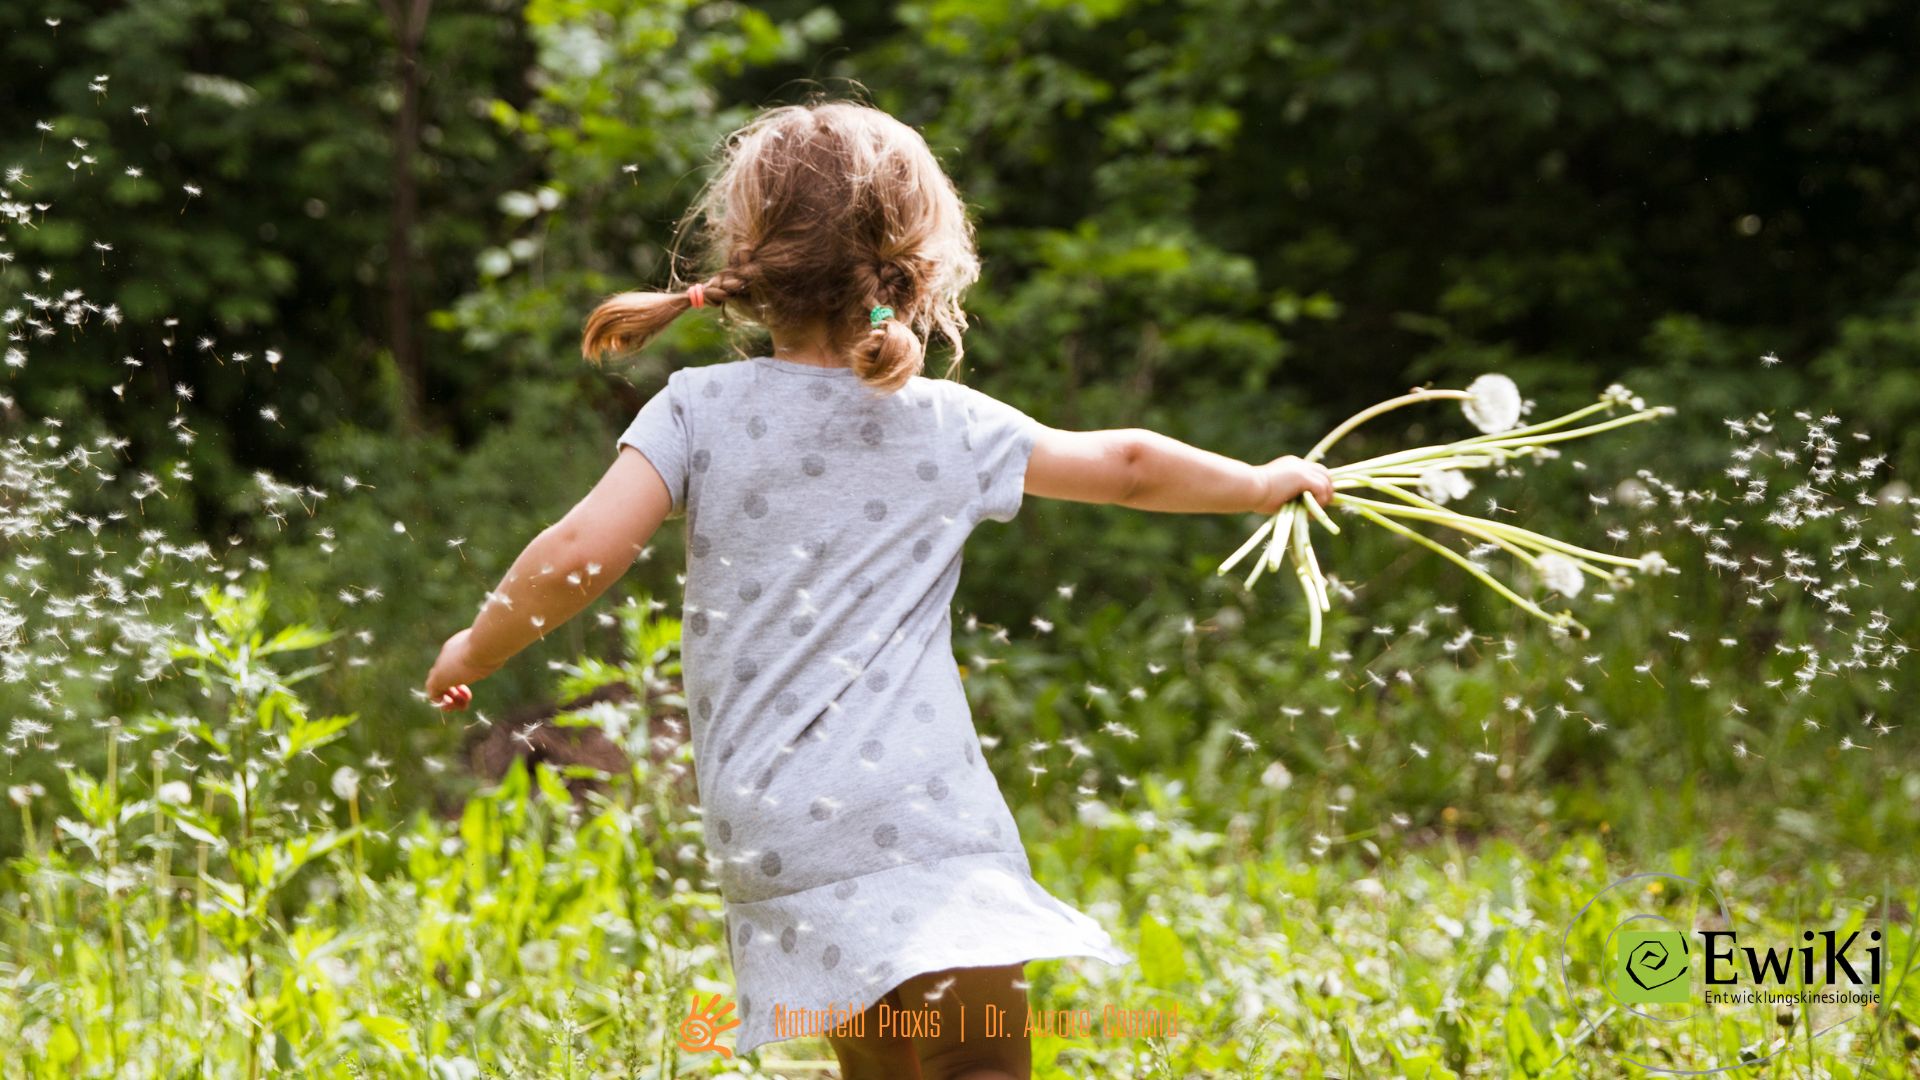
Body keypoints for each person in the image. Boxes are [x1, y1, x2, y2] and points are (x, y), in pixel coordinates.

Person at [424, 99, 1332, 1080]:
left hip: (777, 825)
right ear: (921, 263)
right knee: (984, 1062)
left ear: (749, 257)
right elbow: (1128, 463)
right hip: (926, 804)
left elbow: (575, 554)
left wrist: (476, 648)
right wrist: (1259, 481)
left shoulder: (698, 411)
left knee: (888, 1067)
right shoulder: (945, 423)